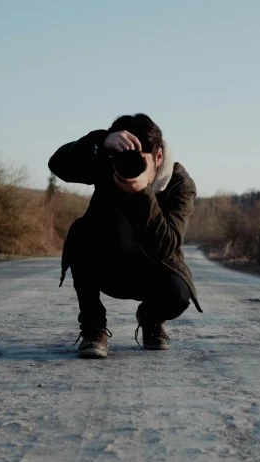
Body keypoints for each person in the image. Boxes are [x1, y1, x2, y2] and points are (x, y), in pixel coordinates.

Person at [49, 113, 202, 359]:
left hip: (154, 270)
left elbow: (165, 246)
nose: (129, 167)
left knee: (179, 293)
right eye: (124, 159)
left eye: (139, 161)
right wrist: (100, 141)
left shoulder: (180, 185)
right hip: (108, 267)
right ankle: (93, 326)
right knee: (80, 234)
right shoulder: (110, 166)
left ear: (159, 157)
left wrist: (143, 194)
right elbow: (57, 164)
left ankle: (151, 319)